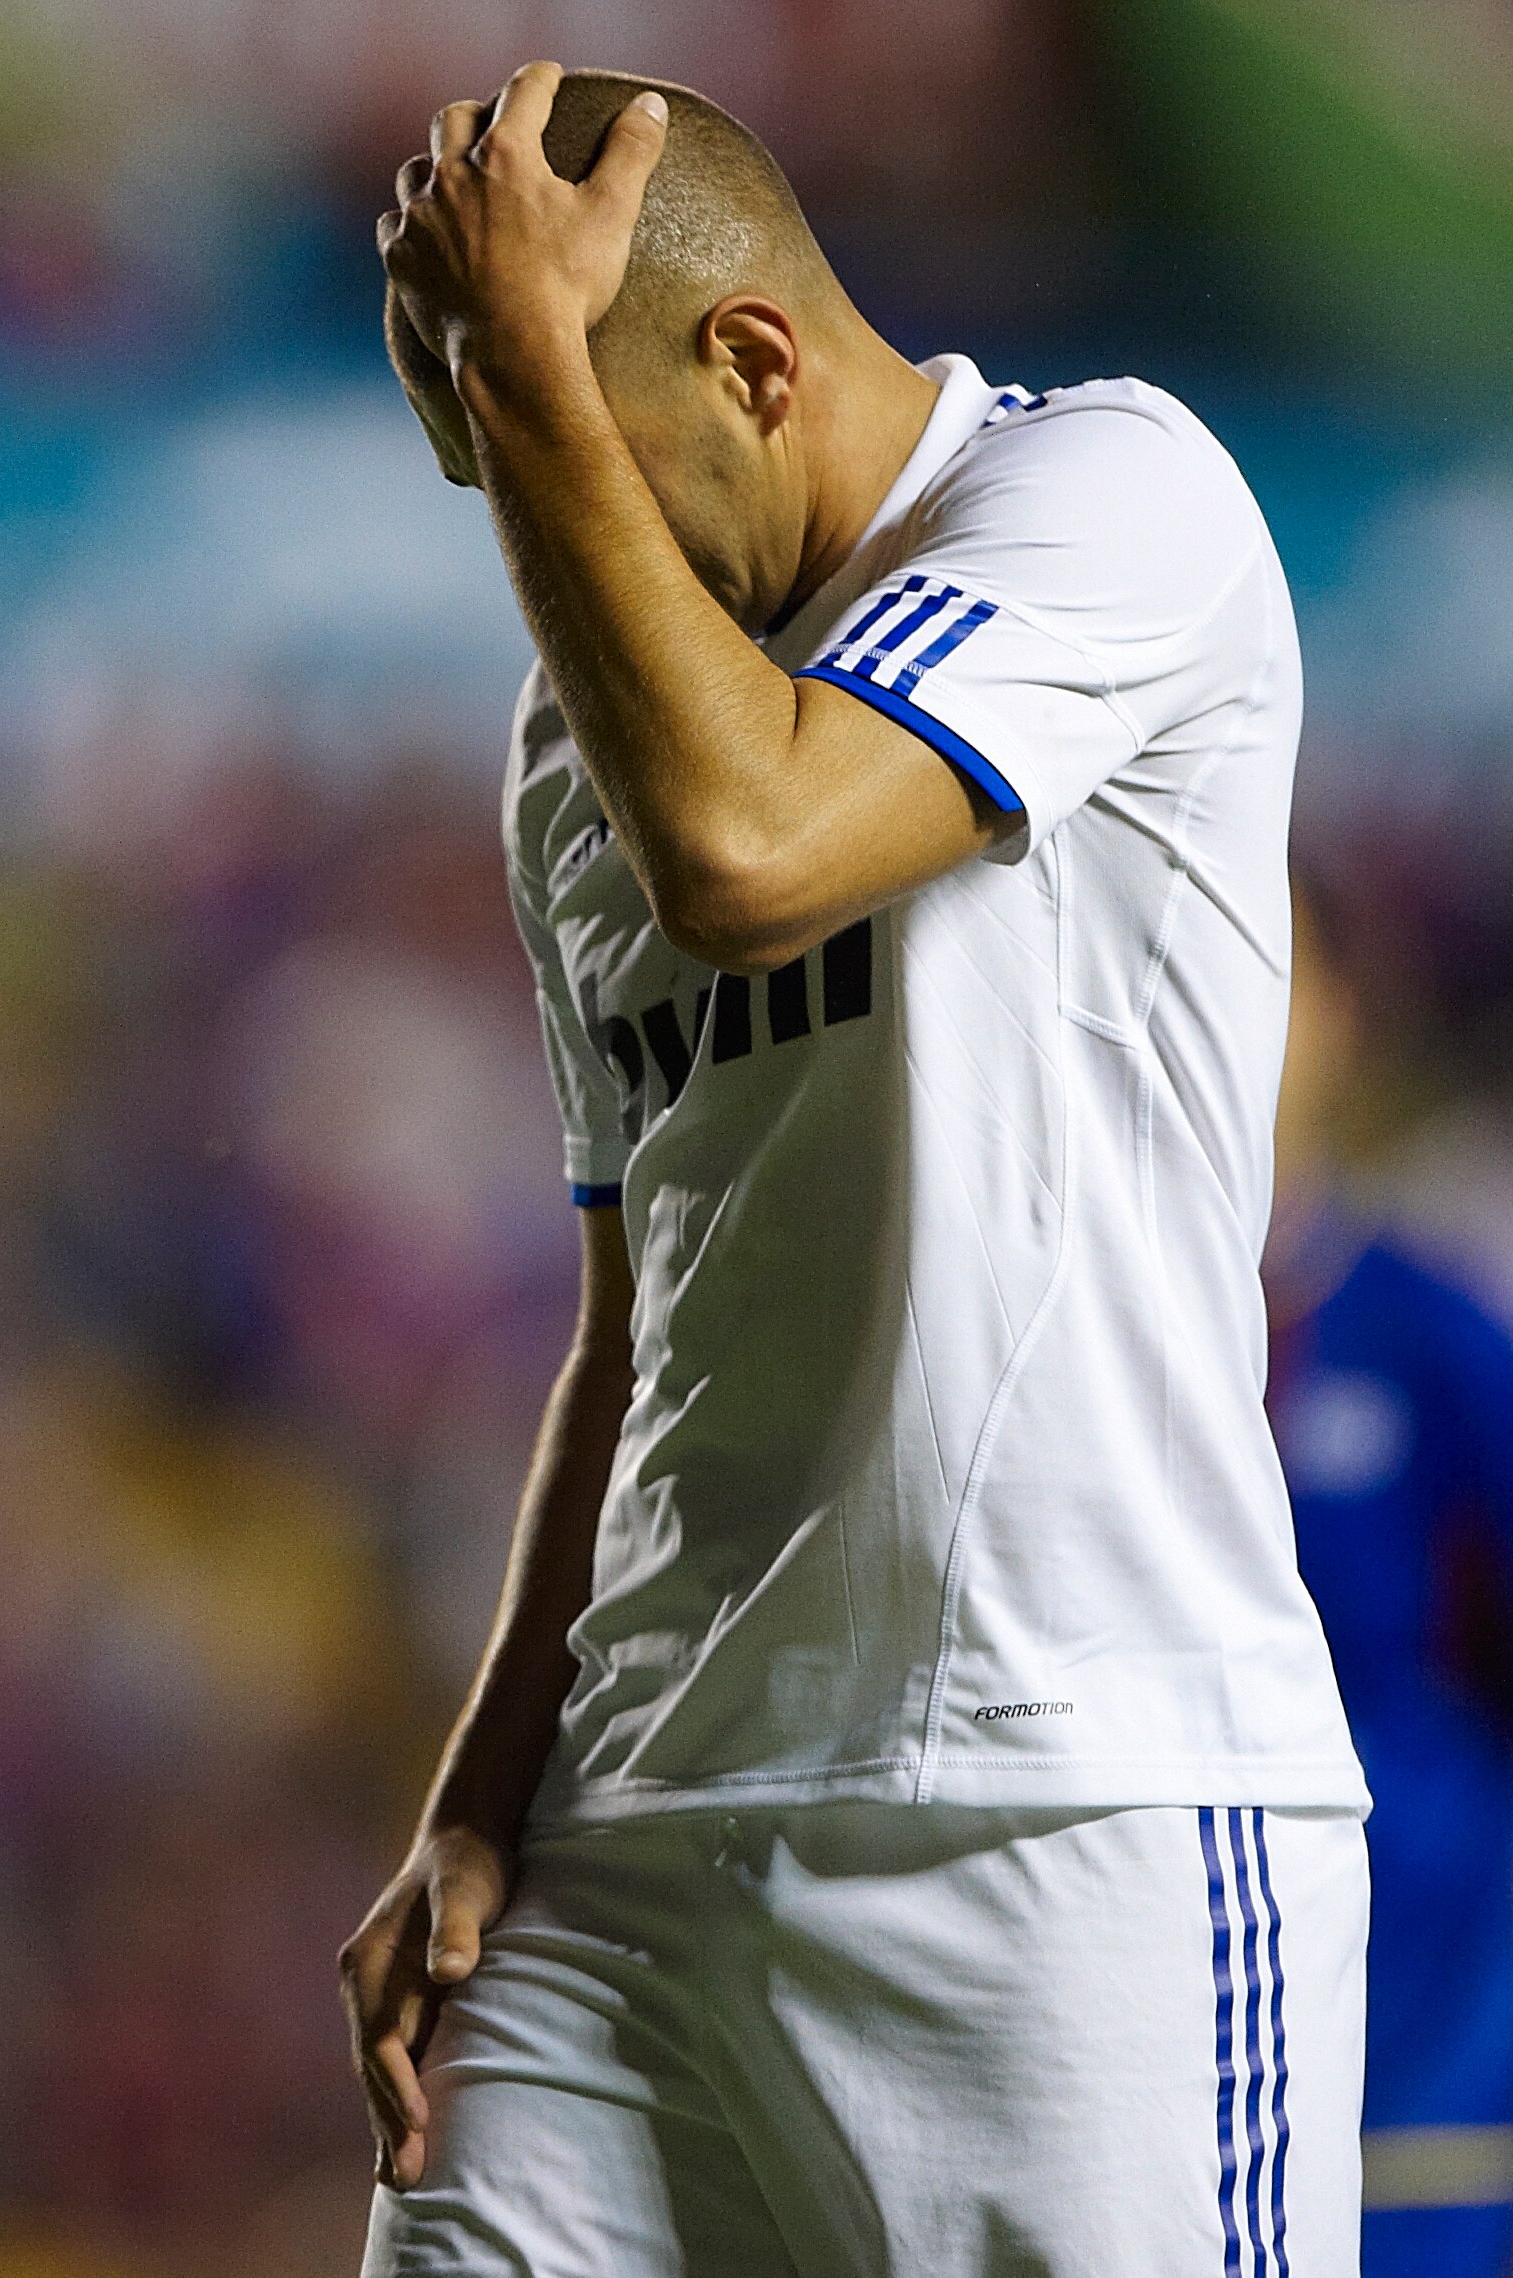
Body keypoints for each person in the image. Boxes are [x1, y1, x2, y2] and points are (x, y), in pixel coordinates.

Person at [341, 65, 1370, 2276]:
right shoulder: (577, 738)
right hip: (632, 1842)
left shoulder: (1115, 496)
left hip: (1067, 1812)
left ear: (753, 359)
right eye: (491, 485)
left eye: (555, 452)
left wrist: (526, 361)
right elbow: (645, 1314)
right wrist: (487, 1780)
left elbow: (750, 845)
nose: (542, 556)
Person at [1266, 884, 1513, 2278]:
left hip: (1426, 2145)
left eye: (1277, 964)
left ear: (1346, 1017)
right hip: (1136, 2116)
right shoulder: (1047, 1352)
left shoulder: (1432, 1337)